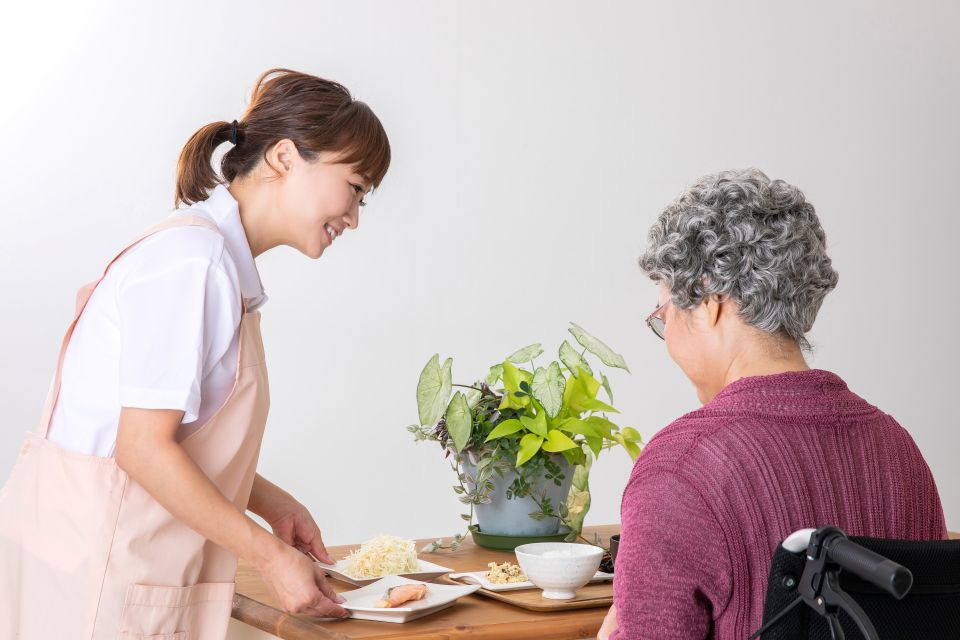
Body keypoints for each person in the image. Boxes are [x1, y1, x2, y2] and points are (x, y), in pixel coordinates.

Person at [0, 68, 390, 639]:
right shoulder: (192, 263)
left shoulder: (211, 264)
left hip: (105, 572)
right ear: (284, 157)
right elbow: (141, 448)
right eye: (355, 188)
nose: (354, 217)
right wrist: (271, 556)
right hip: (98, 590)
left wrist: (273, 504)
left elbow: (167, 433)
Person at [598, 169, 946, 639]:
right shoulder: (901, 453)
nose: (667, 338)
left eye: (664, 316)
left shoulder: (680, 469)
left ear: (709, 302)